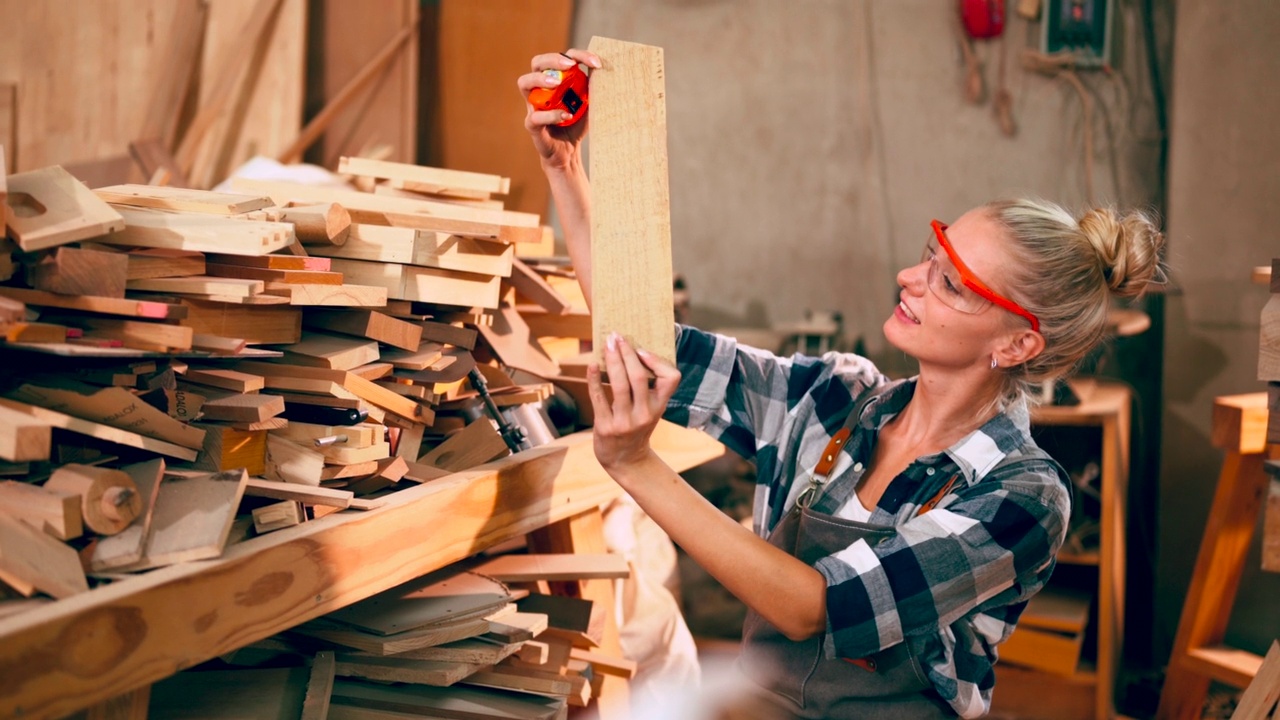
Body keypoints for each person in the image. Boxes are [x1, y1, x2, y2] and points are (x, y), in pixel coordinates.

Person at [518, 49, 1166, 719]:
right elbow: (650, 345)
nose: (910, 280)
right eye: (929, 257)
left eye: (950, 283)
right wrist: (563, 168)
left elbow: (812, 608)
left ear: (1016, 343)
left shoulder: (1023, 499)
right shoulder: (834, 399)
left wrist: (637, 466)